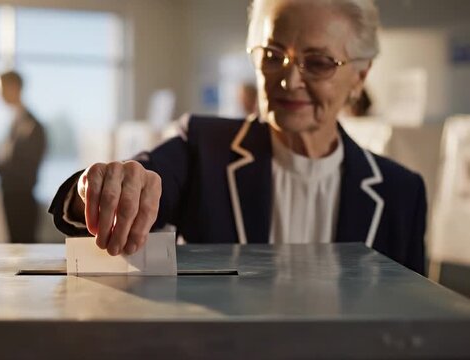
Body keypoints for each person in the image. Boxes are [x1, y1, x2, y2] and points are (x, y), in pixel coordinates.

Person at [49, 0, 427, 274]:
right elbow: (147, 178)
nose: (288, 80)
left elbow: (412, 327)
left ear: (360, 76)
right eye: (273, 55)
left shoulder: (400, 193)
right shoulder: (203, 147)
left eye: (317, 63)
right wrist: (108, 189)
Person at [0, 70, 46, 243]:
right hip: (11, 202)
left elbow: (25, 167)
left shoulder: (31, 126)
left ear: (14, 88)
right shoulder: (16, 122)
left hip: (21, 205)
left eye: (1, 88)